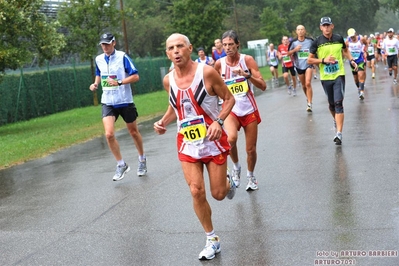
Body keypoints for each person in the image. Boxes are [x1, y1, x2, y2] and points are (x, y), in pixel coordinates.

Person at [153, 33, 236, 260]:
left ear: (189, 48)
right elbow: (175, 108)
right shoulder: (168, 80)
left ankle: (229, 182)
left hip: (212, 138)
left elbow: (229, 99)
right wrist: (162, 122)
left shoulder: (207, 72)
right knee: (196, 190)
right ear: (167, 53)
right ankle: (212, 239)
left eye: (180, 46)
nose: (176, 51)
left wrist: (219, 122)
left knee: (218, 194)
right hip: (188, 142)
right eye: (171, 48)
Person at [89, 33, 147, 180]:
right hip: (108, 101)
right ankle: (121, 164)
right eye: (103, 44)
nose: (105, 47)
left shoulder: (122, 57)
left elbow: (136, 76)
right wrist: (95, 83)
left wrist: (120, 82)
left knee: (133, 132)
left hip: (124, 100)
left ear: (114, 43)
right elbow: (98, 72)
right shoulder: (99, 59)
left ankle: (142, 159)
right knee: (109, 134)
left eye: (107, 44)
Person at [214, 30, 267, 190]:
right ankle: (236, 168)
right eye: (225, 45)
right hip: (231, 109)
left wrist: (247, 76)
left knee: (250, 149)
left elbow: (263, 85)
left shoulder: (247, 60)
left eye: (231, 44)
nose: (228, 48)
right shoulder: (219, 64)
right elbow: (211, 87)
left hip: (248, 109)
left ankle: (251, 177)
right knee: (231, 139)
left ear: (237, 44)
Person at [307, 17, 358, 145]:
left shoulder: (339, 38)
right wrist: (323, 60)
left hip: (339, 75)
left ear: (332, 26)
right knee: (331, 104)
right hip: (325, 77)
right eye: (324, 26)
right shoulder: (317, 42)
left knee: (338, 103)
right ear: (321, 27)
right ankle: (336, 120)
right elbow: (309, 60)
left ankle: (339, 134)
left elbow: (345, 50)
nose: (326, 28)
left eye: (328, 25)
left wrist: (351, 60)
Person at [288, 25, 315, 111]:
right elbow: (288, 53)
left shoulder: (310, 41)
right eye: (299, 30)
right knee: (303, 85)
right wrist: (295, 50)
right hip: (299, 66)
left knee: (307, 83)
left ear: (305, 31)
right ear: (296, 31)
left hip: (308, 64)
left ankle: (310, 104)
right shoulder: (293, 42)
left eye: (302, 29)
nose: (300, 31)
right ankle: (308, 98)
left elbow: (315, 49)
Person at [346, 28, 368, 100]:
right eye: (350, 36)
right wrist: (347, 56)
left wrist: (365, 51)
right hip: (352, 61)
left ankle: (362, 92)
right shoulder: (347, 41)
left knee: (360, 74)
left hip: (360, 59)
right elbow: (344, 50)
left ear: (355, 33)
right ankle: (359, 88)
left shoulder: (361, 39)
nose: (352, 37)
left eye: (353, 35)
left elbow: (366, 43)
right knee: (356, 79)